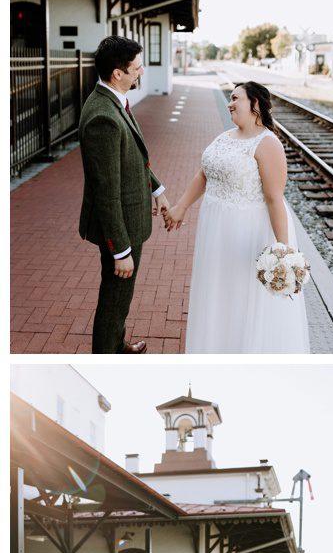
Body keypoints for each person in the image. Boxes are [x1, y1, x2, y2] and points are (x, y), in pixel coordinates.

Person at [165, 81, 311, 353]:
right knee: (217, 294)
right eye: (230, 99)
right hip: (215, 233)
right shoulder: (224, 137)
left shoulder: (267, 143)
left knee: (240, 297)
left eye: (235, 98)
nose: (229, 103)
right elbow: (203, 174)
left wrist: (284, 252)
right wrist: (181, 207)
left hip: (248, 234)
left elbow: (274, 199)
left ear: (255, 104)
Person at [77, 35, 176, 354]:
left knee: (122, 296)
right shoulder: (102, 117)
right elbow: (105, 192)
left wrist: (156, 188)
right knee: (114, 297)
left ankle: (118, 342)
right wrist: (120, 250)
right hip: (120, 229)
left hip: (132, 217)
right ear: (117, 73)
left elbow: (132, 156)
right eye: (136, 68)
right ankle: (107, 354)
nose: (141, 72)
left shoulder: (114, 99)